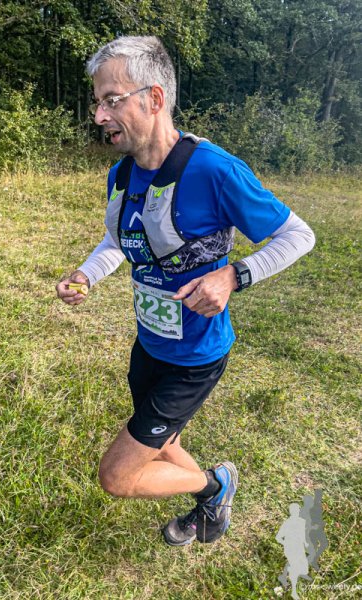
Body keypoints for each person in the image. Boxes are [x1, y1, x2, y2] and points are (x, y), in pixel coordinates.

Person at [56, 36, 315, 546]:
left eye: (111, 100)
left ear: (154, 98)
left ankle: (215, 484)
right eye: (97, 102)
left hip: (195, 358)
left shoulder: (215, 170)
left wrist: (233, 276)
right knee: (165, 439)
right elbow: (119, 241)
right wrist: (87, 274)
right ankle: (212, 501)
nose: (100, 116)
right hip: (150, 344)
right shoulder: (121, 174)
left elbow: (298, 235)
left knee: (117, 476)